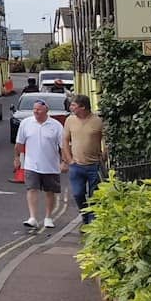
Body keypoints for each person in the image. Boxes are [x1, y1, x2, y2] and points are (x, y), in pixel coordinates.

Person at [14, 98, 65, 230]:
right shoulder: (26, 123)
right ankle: (33, 217)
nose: (36, 111)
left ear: (46, 110)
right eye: (34, 109)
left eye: (39, 109)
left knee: (50, 191)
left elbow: (63, 146)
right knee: (31, 189)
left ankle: (48, 217)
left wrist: (64, 162)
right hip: (31, 164)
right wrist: (17, 158)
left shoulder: (56, 126)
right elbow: (19, 143)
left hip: (50, 165)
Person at [61, 93, 105, 226]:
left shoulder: (97, 121)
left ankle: (91, 222)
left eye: (73, 105)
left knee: (94, 196)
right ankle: (85, 215)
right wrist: (69, 160)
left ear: (83, 107)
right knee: (77, 193)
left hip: (94, 165)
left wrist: (105, 153)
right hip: (76, 165)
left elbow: (106, 140)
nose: (71, 107)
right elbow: (65, 140)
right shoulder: (70, 120)